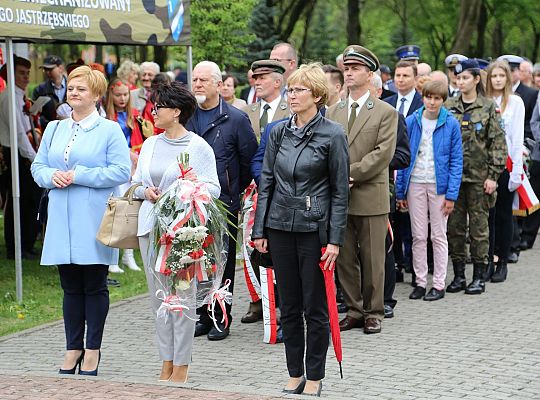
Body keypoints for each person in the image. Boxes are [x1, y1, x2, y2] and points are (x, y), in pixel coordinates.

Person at [252, 63, 349, 397]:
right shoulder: (277, 131)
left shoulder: (333, 134)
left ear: (317, 95)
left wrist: (335, 239)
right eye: (290, 90)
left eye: (298, 90)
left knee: (315, 307)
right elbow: (266, 181)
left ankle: (316, 375)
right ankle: (294, 372)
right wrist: (259, 228)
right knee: (288, 305)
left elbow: (340, 191)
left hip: (314, 230)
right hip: (279, 227)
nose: (291, 96)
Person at [31, 65, 131, 376]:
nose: (73, 93)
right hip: (61, 217)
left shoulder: (109, 130)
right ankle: (72, 347)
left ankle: (92, 350)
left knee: (94, 286)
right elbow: (38, 167)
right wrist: (52, 175)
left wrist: (80, 175)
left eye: (81, 89)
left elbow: (121, 171)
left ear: (97, 95)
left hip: (94, 216)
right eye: (71, 88)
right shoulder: (54, 129)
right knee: (69, 286)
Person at [131, 81, 220, 383]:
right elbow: (135, 184)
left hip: (183, 235)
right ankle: (165, 359)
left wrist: (184, 192)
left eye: (159, 106)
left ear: (177, 111)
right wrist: (146, 191)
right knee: (159, 299)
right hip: (149, 229)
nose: (153, 111)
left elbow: (213, 188)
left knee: (181, 297)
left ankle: (182, 363)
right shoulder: (151, 144)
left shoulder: (198, 147)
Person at [327, 45, 397, 334]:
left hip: (370, 193)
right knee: (344, 258)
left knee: (372, 258)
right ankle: (354, 309)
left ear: (370, 74)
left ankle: (373, 311)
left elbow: (383, 153)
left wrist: (348, 174)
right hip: (340, 197)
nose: (349, 72)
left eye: (355, 68)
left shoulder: (385, 112)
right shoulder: (333, 110)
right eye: (347, 68)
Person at [186, 61, 258, 341]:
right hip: (191, 203)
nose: (198, 85)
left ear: (218, 84)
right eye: (195, 80)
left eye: (204, 80)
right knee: (196, 258)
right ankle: (202, 314)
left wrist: (230, 190)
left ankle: (220, 316)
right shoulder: (188, 117)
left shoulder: (235, 119)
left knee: (222, 262)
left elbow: (247, 160)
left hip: (223, 203)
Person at [396, 80, 463, 301]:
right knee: (418, 236)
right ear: (422, 97)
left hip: (439, 185)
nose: (432, 102)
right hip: (414, 182)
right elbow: (404, 158)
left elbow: (456, 161)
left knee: (438, 235)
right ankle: (420, 281)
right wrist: (400, 192)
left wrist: (451, 195)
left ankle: (439, 284)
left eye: (437, 98)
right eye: (428, 97)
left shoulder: (451, 124)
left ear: (443, 100)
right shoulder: (412, 121)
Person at [445, 59, 507, 295]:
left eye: (465, 78)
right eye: (458, 78)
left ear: (476, 80)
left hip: (480, 179)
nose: (460, 82)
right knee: (455, 228)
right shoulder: (449, 106)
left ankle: (479, 276)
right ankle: (459, 275)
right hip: (454, 179)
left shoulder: (488, 106)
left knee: (479, 230)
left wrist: (493, 175)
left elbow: (498, 144)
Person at [485, 61, 526, 282]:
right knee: (488, 216)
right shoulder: (485, 101)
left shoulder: (516, 102)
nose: (498, 80)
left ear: (508, 78)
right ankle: (489, 259)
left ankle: (502, 261)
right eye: (494, 76)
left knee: (503, 215)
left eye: (502, 76)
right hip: (486, 166)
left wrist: (517, 171)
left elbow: (517, 138)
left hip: (507, 165)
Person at [0, 55, 41, 259]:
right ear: (10, 75)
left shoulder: (19, 96)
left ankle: (26, 244)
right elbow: (18, 135)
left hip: (24, 151)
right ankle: (16, 247)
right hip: (17, 153)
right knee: (19, 200)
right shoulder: (9, 96)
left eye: (27, 73)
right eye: (21, 73)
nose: (26, 77)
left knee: (29, 200)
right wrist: (35, 159)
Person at [104, 78, 145, 273]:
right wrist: (128, 155)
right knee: (115, 210)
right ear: (111, 95)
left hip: (133, 165)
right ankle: (112, 258)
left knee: (131, 209)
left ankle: (128, 255)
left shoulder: (134, 116)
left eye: (125, 95)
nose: (122, 99)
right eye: (118, 95)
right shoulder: (105, 118)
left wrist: (135, 160)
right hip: (115, 163)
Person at [242, 60, 289, 141]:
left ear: (277, 82)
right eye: (256, 79)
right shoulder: (245, 112)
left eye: (262, 78)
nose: (256, 83)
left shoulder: (292, 112)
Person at [33, 55, 67, 129]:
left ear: (60, 68)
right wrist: (52, 125)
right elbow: (36, 115)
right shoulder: (40, 90)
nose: (47, 72)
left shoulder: (73, 87)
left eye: (50, 69)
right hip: (50, 131)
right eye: (45, 69)